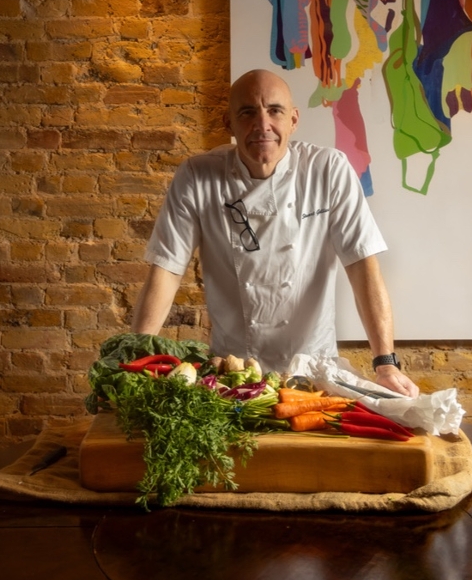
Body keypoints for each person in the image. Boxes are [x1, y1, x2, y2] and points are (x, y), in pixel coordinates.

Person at [132, 69, 419, 398]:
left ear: (294, 119)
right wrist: (137, 358)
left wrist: (385, 363)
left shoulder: (328, 170)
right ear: (229, 124)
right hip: (232, 372)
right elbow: (166, 269)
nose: (262, 124)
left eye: (275, 111)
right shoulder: (197, 176)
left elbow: (362, 265)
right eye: (247, 112)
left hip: (313, 370)